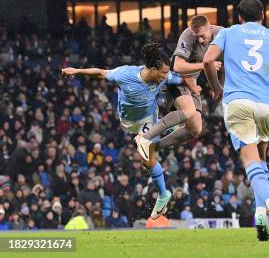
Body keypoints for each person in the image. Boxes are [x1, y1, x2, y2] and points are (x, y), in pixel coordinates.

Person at [203, 0, 269, 243]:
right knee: (261, 160)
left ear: (239, 17)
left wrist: (217, 86)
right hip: (266, 105)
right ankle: (261, 219)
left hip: (238, 102)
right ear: (263, 16)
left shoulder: (229, 33)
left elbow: (208, 60)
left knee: (250, 161)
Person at [61, 43, 196, 220]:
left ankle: (163, 194)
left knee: (146, 159)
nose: (165, 75)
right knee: (146, 155)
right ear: (153, 69)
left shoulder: (164, 76)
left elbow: (181, 78)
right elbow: (100, 72)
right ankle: (170, 128)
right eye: (163, 72)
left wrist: (194, 83)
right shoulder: (124, 74)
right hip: (127, 120)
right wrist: (77, 71)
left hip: (147, 122)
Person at [135, 15, 222, 169]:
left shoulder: (223, 35)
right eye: (197, 37)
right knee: (188, 111)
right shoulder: (188, 35)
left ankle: (153, 147)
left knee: (195, 129)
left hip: (191, 83)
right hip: (176, 80)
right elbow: (178, 66)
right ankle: (145, 137)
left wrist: (218, 87)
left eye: (202, 36)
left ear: (211, 27)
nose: (200, 40)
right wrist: (206, 65)